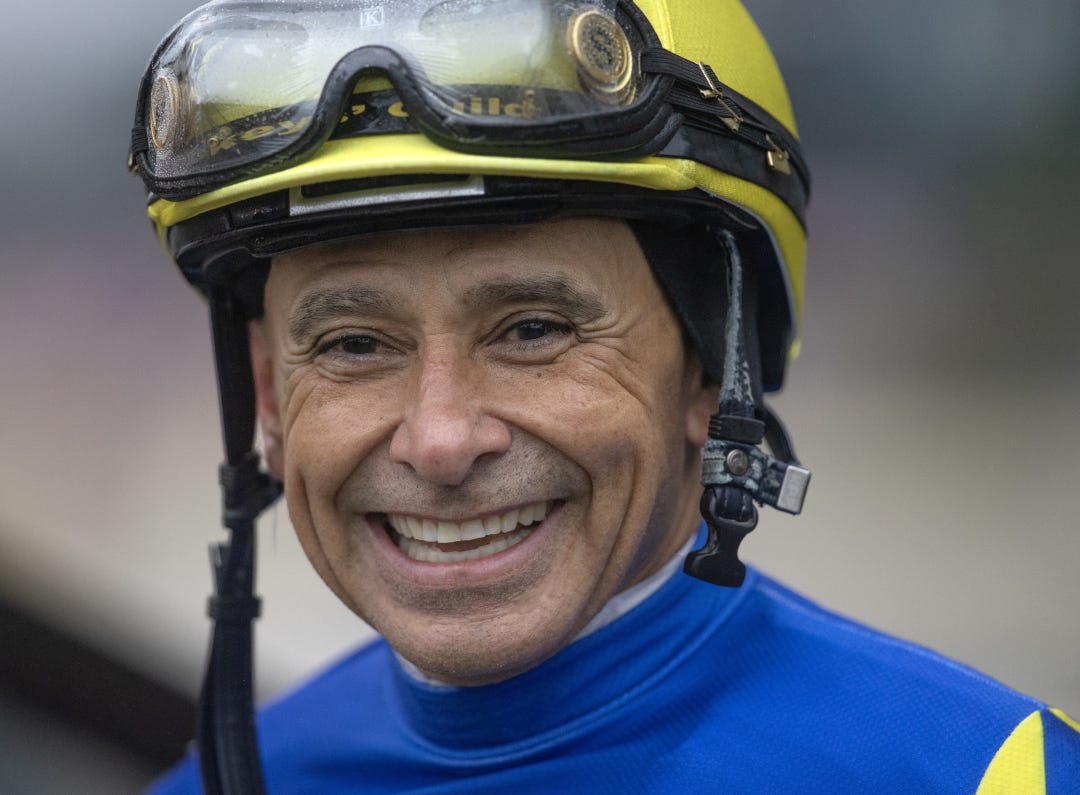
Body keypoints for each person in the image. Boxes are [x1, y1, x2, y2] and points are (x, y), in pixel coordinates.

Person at [130, 0, 1080, 792]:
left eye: (533, 329)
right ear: (270, 395)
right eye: (354, 344)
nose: (441, 438)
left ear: (711, 371)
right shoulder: (216, 782)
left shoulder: (992, 771)